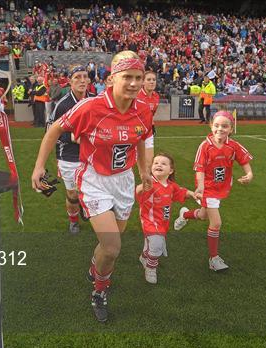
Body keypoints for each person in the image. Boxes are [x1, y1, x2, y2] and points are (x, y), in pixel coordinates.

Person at [32, 51, 154, 322]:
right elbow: (54, 130)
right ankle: (99, 292)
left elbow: (142, 139)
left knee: (107, 248)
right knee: (112, 247)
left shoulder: (143, 109)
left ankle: (95, 268)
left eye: (138, 77)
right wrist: (40, 166)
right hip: (94, 181)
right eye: (128, 78)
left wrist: (144, 171)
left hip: (123, 182)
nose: (134, 83)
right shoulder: (91, 107)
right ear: (112, 79)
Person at [173, 111, 253, 271]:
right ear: (211, 126)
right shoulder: (205, 146)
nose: (220, 129)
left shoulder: (233, 145)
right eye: (216, 125)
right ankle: (213, 258)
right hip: (207, 188)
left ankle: (185, 214)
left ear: (231, 129)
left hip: (221, 187)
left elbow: (243, 159)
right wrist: (201, 186)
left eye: (225, 126)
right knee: (216, 223)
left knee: (203, 215)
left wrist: (249, 173)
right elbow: (200, 168)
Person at [136, 153, 195, 284]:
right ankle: (151, 268)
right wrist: (141, 188)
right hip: (149, 221)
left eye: (163, 163)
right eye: (156, 163)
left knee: (151, 243)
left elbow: (181, 192)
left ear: (171, 170)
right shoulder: (150, 183)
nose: (158, 165)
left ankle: (144, 256)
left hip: (163, 222)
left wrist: (193, 194)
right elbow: (138, 191)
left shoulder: (171, 185)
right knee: (156, 245)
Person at [46, 64, 89, 234]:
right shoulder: (63, 105)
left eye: (85, 76)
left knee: (89, 191)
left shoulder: (93, 99)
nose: (82, 80)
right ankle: (73, 221)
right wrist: (71, 137)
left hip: (91, 156)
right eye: (77, 77)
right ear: (70, 81)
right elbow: (50, 131)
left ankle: (86, 207)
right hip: (68, 156)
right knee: (72, 194)